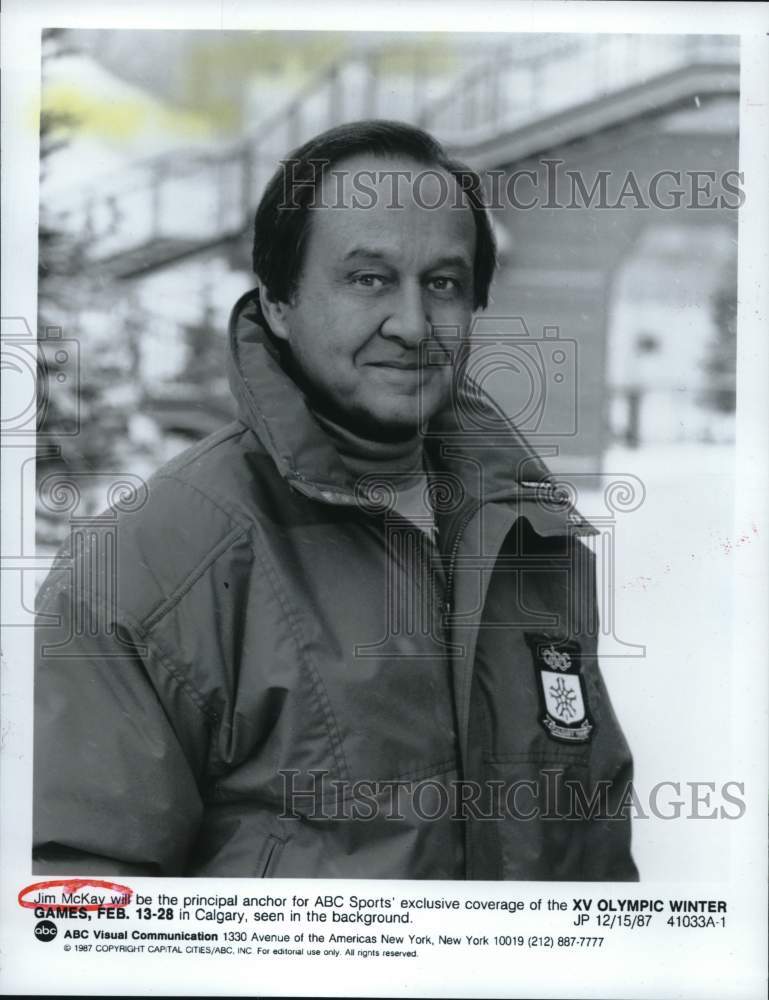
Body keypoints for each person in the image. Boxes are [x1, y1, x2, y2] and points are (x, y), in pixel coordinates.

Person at [33, 120, 637, 879]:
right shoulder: (151, 564)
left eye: (443, 283)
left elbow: (595, 862)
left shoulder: (527, 535)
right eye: (368, 279)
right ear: (279, 304)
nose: (414, 325)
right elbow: (78, 901)